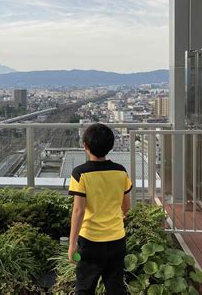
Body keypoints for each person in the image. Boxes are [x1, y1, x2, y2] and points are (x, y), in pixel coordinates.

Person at [68, 123, 132, 295]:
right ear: (110, 146)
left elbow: (78, 211)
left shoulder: (80, 174)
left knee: (85, 287)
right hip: (117, 239)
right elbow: (126, 205)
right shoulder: (121, 172)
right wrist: (122, 217)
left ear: (85, 146)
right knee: (116, 287)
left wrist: (72, 244)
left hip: (90, 242)